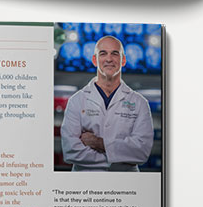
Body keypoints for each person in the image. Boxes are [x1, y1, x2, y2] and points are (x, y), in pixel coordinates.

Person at [61, 35, 155, 171]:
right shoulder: (77, 100)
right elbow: (71, 151)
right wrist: (119, 157)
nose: (109, 59)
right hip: (85, 183)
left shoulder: (140, 103)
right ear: (95, 60)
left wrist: (99, 143)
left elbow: (141, 152)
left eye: (115, 54)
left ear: (123, 60)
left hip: (125, 186)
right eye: (103, 53)